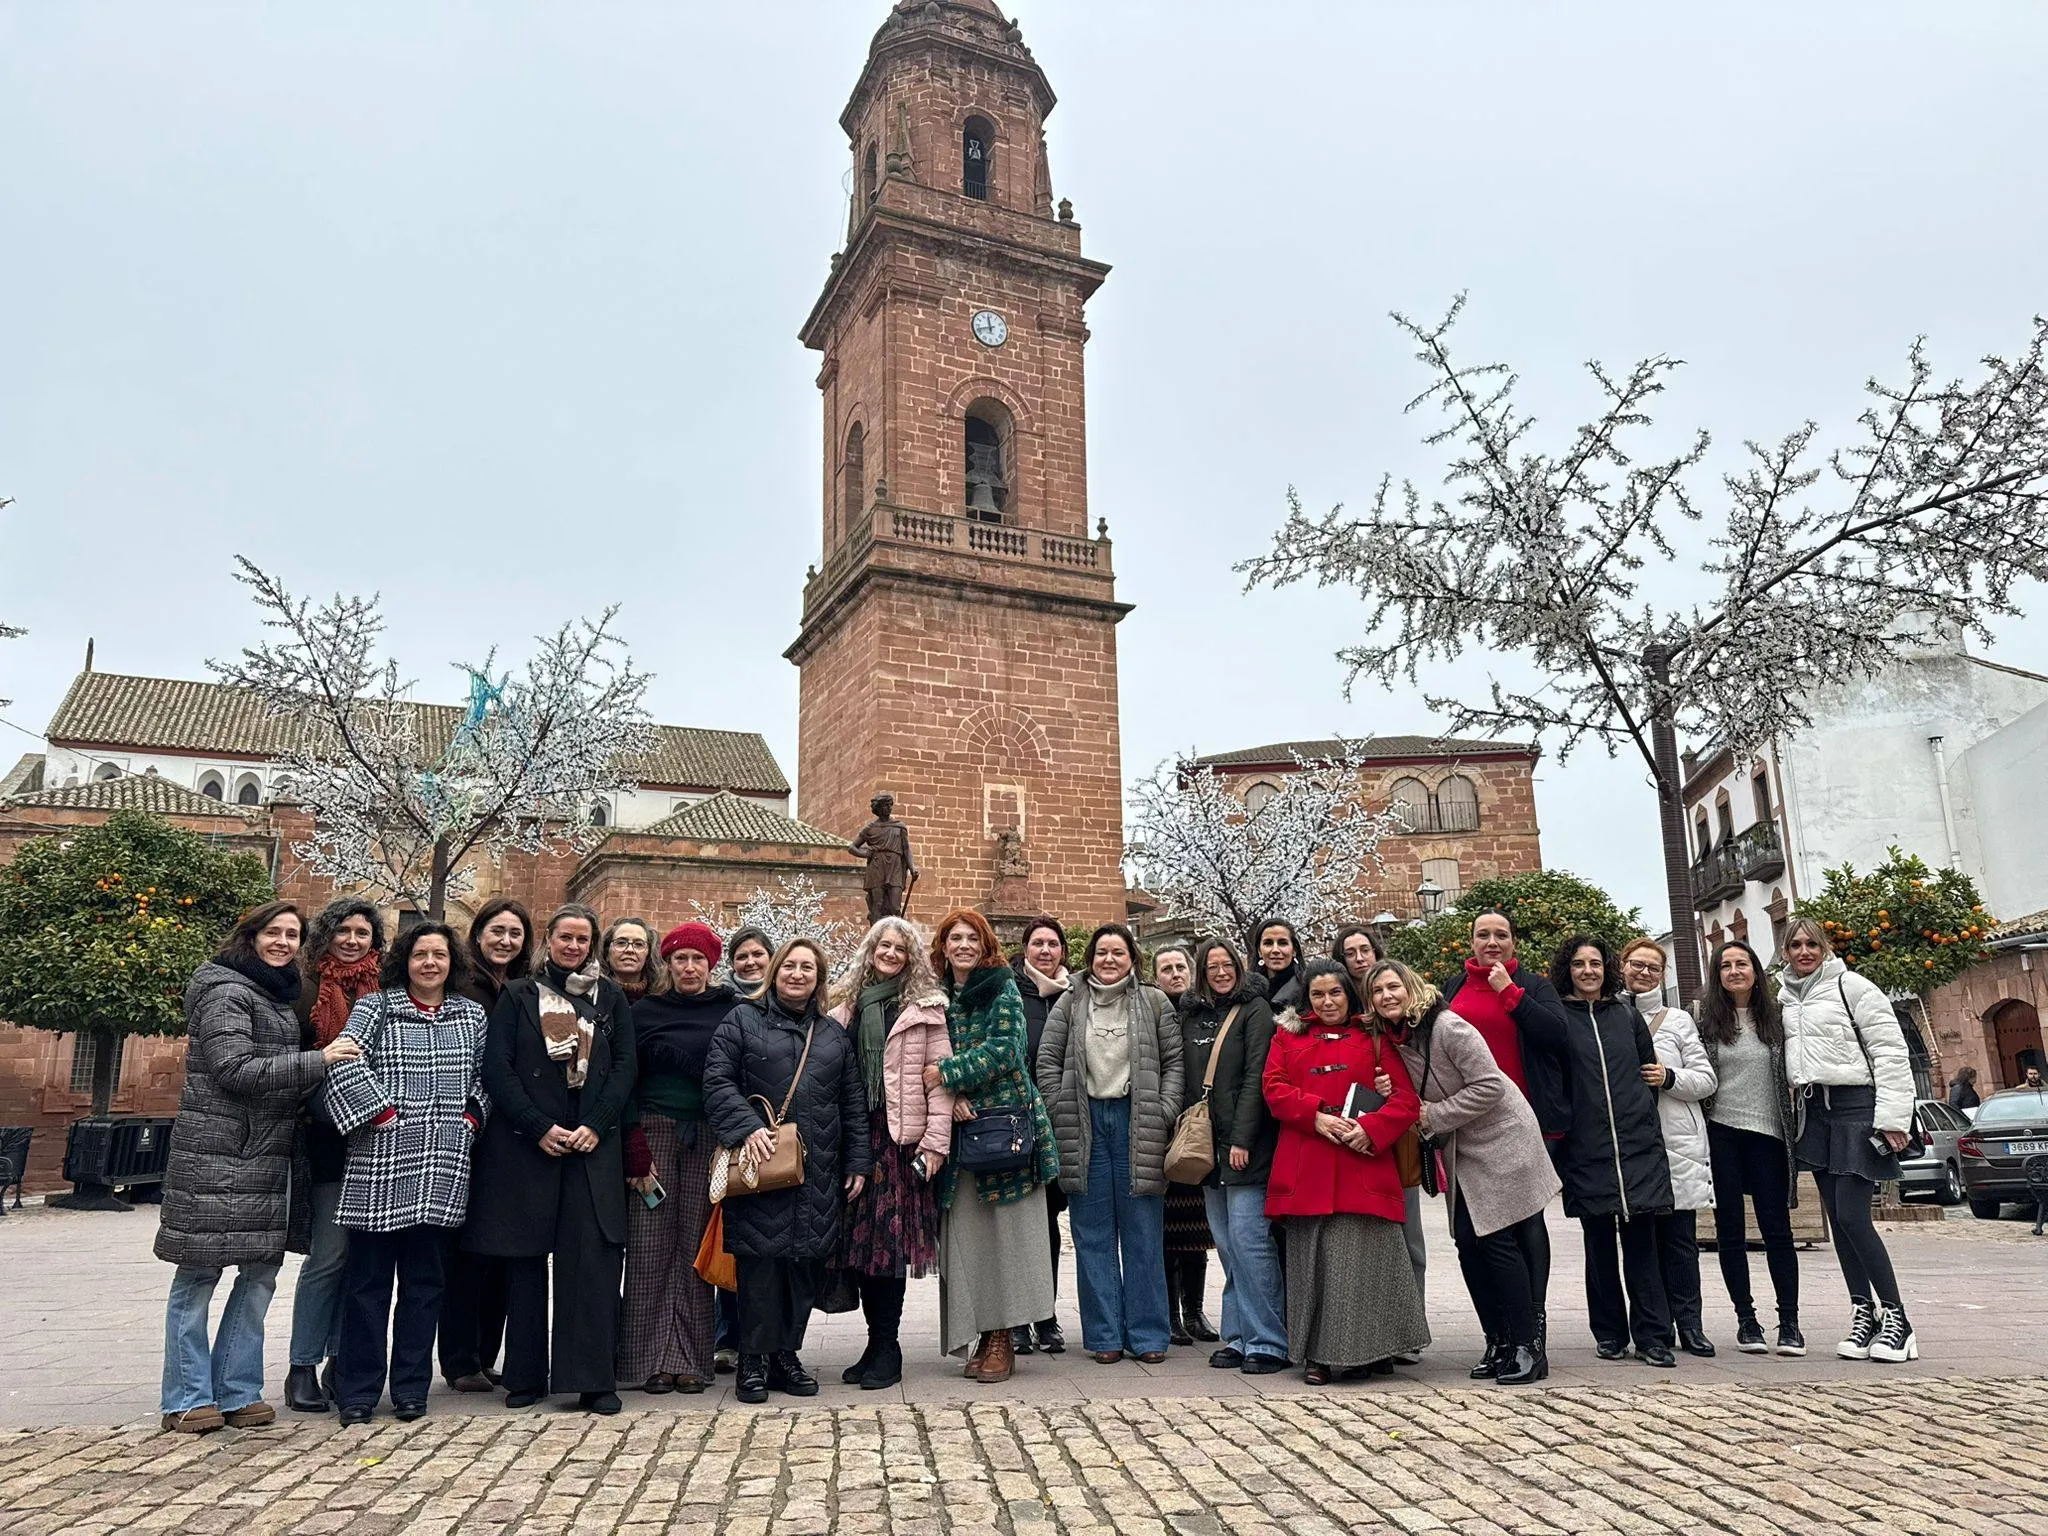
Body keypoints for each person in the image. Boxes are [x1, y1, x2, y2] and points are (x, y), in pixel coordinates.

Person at [156, 901, 359, 1434]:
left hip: (265, 1155)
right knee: (199, 1274)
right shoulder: (224, 989)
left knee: (259, 1277)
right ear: (250, 936)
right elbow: (234, 1069)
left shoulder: (275, 992)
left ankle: (237, 1391)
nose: (284, 942)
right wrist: (322, 1060)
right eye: (275, 932)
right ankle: (185, 1397)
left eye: (293, 935)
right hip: (216, 1152)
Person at [466, 904, 638, 1415]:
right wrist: (537, 1126)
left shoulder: (610, 999)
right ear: (550, 939)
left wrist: (596, 1125)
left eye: (583, 939)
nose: (573, 947)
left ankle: (593, 1379)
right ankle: (525, 1376)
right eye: (565, 937)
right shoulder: (519, 996)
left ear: (593, 945)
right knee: (525, 1266)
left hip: (590, 1147)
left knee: (591, 1265)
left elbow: (626, 1068)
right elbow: (497, 1067)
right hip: (531, 1146)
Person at [321, 922, 490, 1425]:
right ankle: (358, 1390)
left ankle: (411, 1388)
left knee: (424, 1285)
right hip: (381, 1159)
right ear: (406, 960)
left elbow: (484, 1078)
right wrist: (379, 1113)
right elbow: (344, 1060)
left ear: (452, 963)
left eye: (439, 955)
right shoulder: (377, 1006)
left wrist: (471, 1118)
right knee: (367, 1285)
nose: (430, 964)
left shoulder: (472, 1015)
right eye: (421, 955)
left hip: (442, 1162)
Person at [1367, 958, 1557, 1385]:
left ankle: (1527, 1346)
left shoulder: (1447, 1027)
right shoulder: (1398, 1038)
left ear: (1411, 987)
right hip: (1464, 1143)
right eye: (1378, 992)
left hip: (1503, 1136)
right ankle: (1499, 1341)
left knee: (1497, 1239)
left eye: (1393, 987)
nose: (1386, 996)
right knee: (1469, 1244)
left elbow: (1489, 1084)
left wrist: (1433, 1114)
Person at [704, 936, 870, 1403]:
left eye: (808, 969)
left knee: (803, 1267)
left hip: (818, 1169)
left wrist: (858, 1160)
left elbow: (851, 1102)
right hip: (761, 1165)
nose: (797, 975)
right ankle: (752, 1362)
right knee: (761, 1266)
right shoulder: (742, 1020)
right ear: (775, 971)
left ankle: (786, 1355)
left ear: (819, 979)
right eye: (790, 967)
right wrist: (745, 1129)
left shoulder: (834, 1034)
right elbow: (717, 1080)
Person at [1262, 959, 1430, 1383]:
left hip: (1362, 1163)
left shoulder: (1373, 1037)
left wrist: (1371, 1130)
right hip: (1309, 1162)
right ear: (1307, 998)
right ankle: (1317, 1355)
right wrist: (1315, 1116)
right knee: (1312, 1266)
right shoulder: (1287, 1036)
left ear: (1348, 994)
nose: (1327, 1001)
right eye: (1318, 994)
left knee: (1368, 1264)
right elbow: (1274, 1088)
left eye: (1335, 992)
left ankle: (1371, 1351)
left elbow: (1405, 1101)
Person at [1040, 924, 1184, 1364]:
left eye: (1117, 952)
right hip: (1083, 1123)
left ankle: (1148, 1334)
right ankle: (1104, 1335)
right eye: (1101, 952)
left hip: (1137, 1121)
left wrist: (1163, 1110)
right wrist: (1058, 1103)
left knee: (1142, 1233)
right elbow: (1046, 1059)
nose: (1108, 959)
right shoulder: (1069, 1001)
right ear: (1090, 958)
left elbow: (1174, 1061)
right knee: (1091, 1233)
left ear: (1132, 958)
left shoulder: (1154, 1000)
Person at [926, 909, 1060, 1384]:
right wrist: (952, 1092)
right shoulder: (934, 995)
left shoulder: (1001, 987)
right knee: (968, 1238)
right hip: (957, 1134)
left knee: (1008, 1236)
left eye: (972, 938)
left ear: (985, 946)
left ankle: (1002, 1336)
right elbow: (928, 1050)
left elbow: (1006, 1049)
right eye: (954, 937)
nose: (962, 945)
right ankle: (980, 1330)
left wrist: (949, 1077)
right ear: (942, 946)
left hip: (1005, 1128)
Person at [1778, 914, 1919, 1364]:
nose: (1804, 952)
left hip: (1858, 1107)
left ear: (1826, 949)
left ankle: (1898, 1318)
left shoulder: (1852, 987)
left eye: (1812, 944)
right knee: (1838, 1221)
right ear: (1785, 951)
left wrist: (1894, 1117)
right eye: (1795, 945)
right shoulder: (1782, 998)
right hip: (1813, 1113)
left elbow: (1890, 1051)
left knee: (1856, 1217)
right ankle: (1864, 1312)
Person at [1537, 935, 1677, 1367]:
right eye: (1578, 963)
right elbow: (1554, 1083)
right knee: (1598, 1246)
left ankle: (1653, 1336)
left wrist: (1638, 1118)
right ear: (1568, 969)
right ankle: (1610, 1334)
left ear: (1606, 968)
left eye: (1595, 963)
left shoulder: (1626, 1015)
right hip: (1586, 1147)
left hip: (1636, 1146)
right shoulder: (1558, 1017)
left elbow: (1646, 1073)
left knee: (1643, 1245)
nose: (1588, 971)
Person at [828, 917, 953, 1390]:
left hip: (899, 1142)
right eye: (885, 945)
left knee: (888, 1249)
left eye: (902, 948)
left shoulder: (926, 1008)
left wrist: (936, 1142)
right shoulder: (846, 1004)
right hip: (853, 1138)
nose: (892, 954)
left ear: (912, 956)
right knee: (858, 1247)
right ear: (871, 949)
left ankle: (888, 1345)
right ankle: (873, 1342)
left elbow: (940, 1079)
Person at [616, 921, 734, 1395]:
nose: (689, 967)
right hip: (655, 1133)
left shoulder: (731, 1011)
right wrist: (633, 1145)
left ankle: (690, 1359)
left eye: (698, 960)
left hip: (708, 1136)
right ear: (667, 963)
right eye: (680, 958)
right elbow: (624, 1077)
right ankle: (647, 1361)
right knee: (648, 1246)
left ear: (711, 965)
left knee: (693, 1247)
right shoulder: (645, 1012)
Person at [285, 898, 385, 1414]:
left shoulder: (383, 994)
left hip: (378, 1138)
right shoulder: (305, 994)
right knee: (329, 1256)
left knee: (360, 1260)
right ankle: (302, 1363)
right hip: (325, 1136)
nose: (352, 940)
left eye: (362, 933)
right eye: (343, 931)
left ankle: (341, 1360)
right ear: (326, 936)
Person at [1178, 937, 1285, 1374]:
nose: (1221, 973)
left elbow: (1255, 1076)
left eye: (1227, 966)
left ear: (1239, 969)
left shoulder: (1255, 1009)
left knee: (1251, 1243)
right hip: (1208, 1148)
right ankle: (1238, 1336)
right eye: (1212, 967)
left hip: (1245, 1148)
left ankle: (1270, 1341)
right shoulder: (1193, 1014)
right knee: (1226, 1246)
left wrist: (1241, 1138)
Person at [437, 897, 530, 1394]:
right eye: (498, 931)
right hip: (467, 1125)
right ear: (478, 934)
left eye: (515, 934)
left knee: (500, 1248)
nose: (505, 941)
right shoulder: (463, 986)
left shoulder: (521, 988)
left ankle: (484, 1354)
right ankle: (459, 1357)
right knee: (468, 1251)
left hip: (507, 1133)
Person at [1694, 939, 1803, 1355]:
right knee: (1730, 1232)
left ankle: (1789, 1323)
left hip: (1769, 1135)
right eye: (1726, 966)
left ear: (1756, 971)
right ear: (1716, 975)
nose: (1735, 971)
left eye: (1742, 963)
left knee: (1778, 1231)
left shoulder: (1778, 1018)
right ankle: (1746, 1320)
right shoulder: (1703, 1019)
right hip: (1721, 1131)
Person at [1619, 936, 1718, 1359]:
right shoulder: (1607, 1016)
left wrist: (1669, 1077)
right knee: (1640, 1242)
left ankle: (1690, 1324)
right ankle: (1652, 1330)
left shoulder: (1677, 1021)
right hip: (1632, 1144)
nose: (1643, 973)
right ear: (1622, 966)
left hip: (1676, 1141)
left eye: (1652, 968)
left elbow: (1707, 1079)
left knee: (1680, 1242)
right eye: (1636, 965)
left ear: (1663, 975)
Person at [1335, 923, 1426, 1338]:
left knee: (1409, 1239)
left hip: (1396, 1134)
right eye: (1349, 951)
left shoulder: (1403, 1016)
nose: (1358, 957)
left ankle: (1412, 1328)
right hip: (1352, 1134)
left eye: (1364, 949)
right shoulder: (1347, 1016)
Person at [1008, 914, 1071, 1357]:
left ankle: (1045, 1315)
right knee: (1016, 1222)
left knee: (1047, 1222)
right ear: (1025, 949)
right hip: (1016, 1121)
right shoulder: (1010, 993)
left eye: (1052, 944)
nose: (1045, 951)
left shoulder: (1074, 994)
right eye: (1037, 944)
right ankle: (1014, 1319)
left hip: (1062, 1122)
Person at [1151, 942, 1218, 1349]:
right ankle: (1170, 1313)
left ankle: (1194, 1310)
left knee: (1197, 1231)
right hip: (1160, 1130)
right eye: (1166, 968)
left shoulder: (1204, 1014)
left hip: (1197, 1129)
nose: (1175, 974)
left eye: (1180, 967)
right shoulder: (1152, 1011)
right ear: (1155, 975)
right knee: (1166, 1231)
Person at [712, 927, 773, 1369]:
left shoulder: (790, 1004)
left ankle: (772, 1338)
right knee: (732, 1239)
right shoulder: (723, 1007)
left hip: (781, 1135)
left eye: (758, 955)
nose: (750, 962)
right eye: (742, 956)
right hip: (735, 1132)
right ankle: (728, 1335)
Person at [850, 792, 919, 922]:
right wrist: (864, 853)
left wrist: (912, 867)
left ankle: (895, 933)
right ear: (878, 808)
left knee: (895, 906)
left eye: (889, 805)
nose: (888, 808)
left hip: (895, 866)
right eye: (885, 806)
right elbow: (852, 847)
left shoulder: (900, 827)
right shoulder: (870, 828)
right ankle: (876, 935)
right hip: (876, 867)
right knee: (877, 905)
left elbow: (906, 849)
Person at [600, 916, 668, 1006]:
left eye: (639, 944)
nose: (630, 950)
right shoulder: (594, 995)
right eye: (621, 943)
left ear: (648, 955)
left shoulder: (662, 999)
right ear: (606, 953)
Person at [1249, 917, 1305, 1011]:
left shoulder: (1308, 989)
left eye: (1282, 943)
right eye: (1268, 943)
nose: (1275, 950)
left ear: (1294, 950)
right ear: (1259, 951)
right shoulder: (1246, 991)